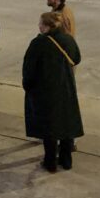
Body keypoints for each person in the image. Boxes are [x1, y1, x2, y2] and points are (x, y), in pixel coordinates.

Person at [22, 11, 84, 173]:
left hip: (46, 92)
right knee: (65, 124)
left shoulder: (38, 44)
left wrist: (28, 86)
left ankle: (50, 162)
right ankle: (66, 160)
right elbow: (76, 58)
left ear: (48, 26)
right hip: (65, 89)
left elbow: (29, 69)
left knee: (49, 128)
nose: (39, 26)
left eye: (41, 23)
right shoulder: (68, 39)